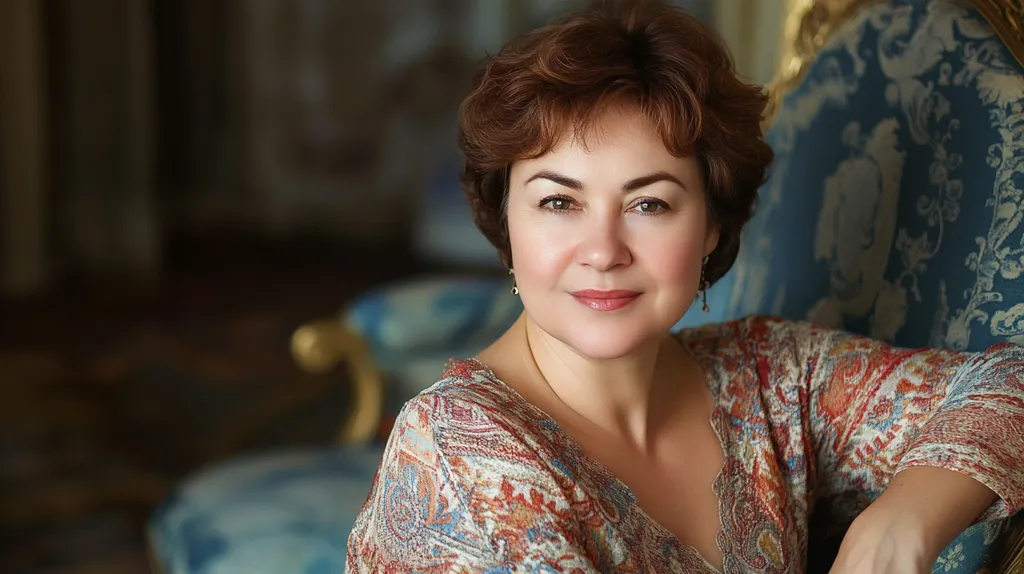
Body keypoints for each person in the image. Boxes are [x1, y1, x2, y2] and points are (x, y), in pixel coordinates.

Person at [345, 1, 1024, 572]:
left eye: (650, 204)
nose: (604, 251)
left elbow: (1011, 385)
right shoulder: (460, 458)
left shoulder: (769, 376)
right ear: (506, 222)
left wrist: (901, 521)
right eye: (559, 203)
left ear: (709, 228)